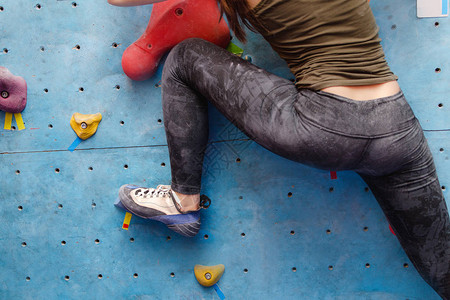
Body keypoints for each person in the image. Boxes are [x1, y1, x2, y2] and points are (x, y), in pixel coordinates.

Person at [109, 0, 450, 298]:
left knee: (186, 57)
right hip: (398, 128)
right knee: (442, 265)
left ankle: (182, 200)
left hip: (324, 125)